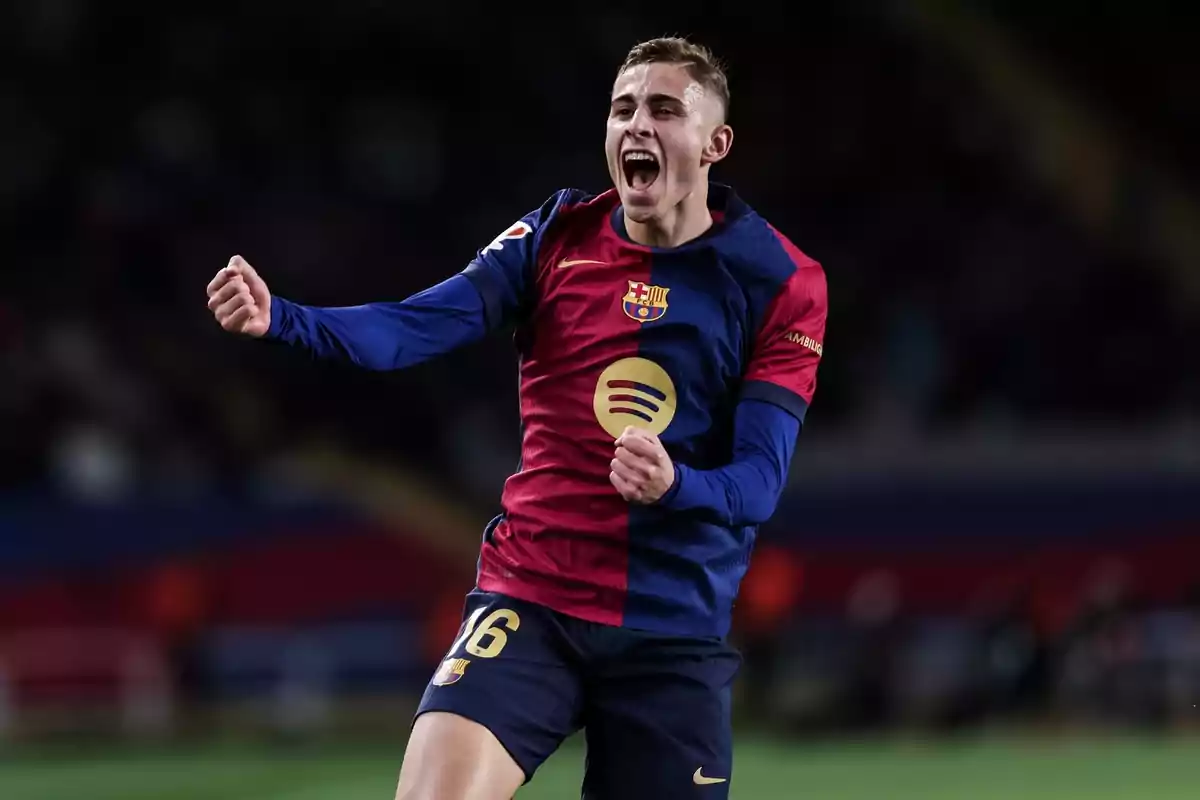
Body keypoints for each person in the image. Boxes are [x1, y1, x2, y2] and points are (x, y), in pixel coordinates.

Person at [206, 36, 827, 800]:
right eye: (622, 109)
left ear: (714, 144)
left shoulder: (781, 281)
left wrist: (675, 485)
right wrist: (284, 318)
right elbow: (413, 327)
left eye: (665, 110)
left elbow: (759, 483)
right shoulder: (553, 239)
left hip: (673, 631)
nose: (637, 126)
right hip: (534, 600)